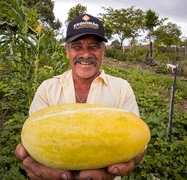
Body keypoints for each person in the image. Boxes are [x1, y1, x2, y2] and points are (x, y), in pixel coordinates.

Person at [15, 13, 145, 180]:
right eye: (77, 46)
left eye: (93, 47)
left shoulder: (122, 88)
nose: (85, 54)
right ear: (67, 51)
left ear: (103, 51)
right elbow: (32, 143)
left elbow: (138, 142)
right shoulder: (47, 89)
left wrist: (135, 158)